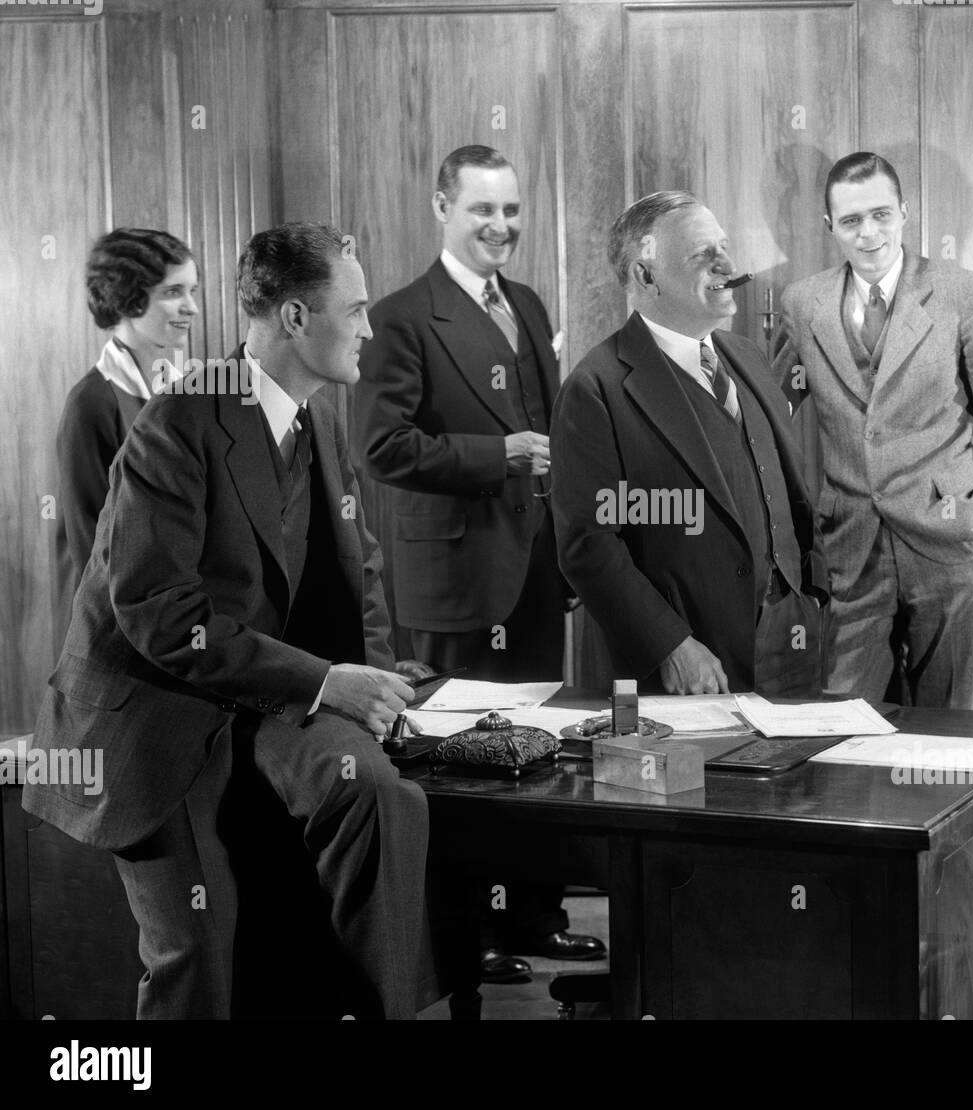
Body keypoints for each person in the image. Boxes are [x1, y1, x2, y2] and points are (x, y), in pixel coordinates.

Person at [24, 222, 430, 1018]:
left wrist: (376, 686)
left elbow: (359, 573)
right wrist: (326, 681)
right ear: (294, 319)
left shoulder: (318, 417)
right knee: (199, 959)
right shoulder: (179, 420)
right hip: (151, 721)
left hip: (250, 706)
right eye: (357, 309)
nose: (371, 329)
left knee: (386, 797)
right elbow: (161, 614)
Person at [356, 145, 603, 980]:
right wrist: (496, 453)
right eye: (482, 211)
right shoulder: (398, 316)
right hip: (453, 582)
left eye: (511, 210)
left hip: (533, 575)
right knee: (457, 764)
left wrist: (568, 558)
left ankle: (534, 917)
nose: (501, 226)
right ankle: (468, 937)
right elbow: (380, 446)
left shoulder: (527, 305)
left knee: (537, 752)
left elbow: (557, 440)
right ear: (441, 209)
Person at [552, 190, 827, 697]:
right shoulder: (595, 388)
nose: (728, 264)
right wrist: (671, 645)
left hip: (791, 645)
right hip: (688, 667)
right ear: (646, 275)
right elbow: (589, 546)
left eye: (724, 247)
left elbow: (789, 492)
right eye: (705, 254)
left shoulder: (747, 356)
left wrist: (813, 596)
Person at [775, 152, 973, 707]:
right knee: (843, 722)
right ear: (829, 228)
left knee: (953, 722)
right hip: (851, 546)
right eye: (852, 221)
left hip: (949, 541)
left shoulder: (962, 293)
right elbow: (772, 417)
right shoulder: (803, 304)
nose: (870, 234)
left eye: (882, 215)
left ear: (906, 213)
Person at [56, 228, 198, 630]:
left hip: (179, 612)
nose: (192, 307)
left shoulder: (187, 392)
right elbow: (90, 548)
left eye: (193, 291)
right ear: (128, 298)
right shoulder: (91, 403)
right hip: (121, 625)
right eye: (173, 292)